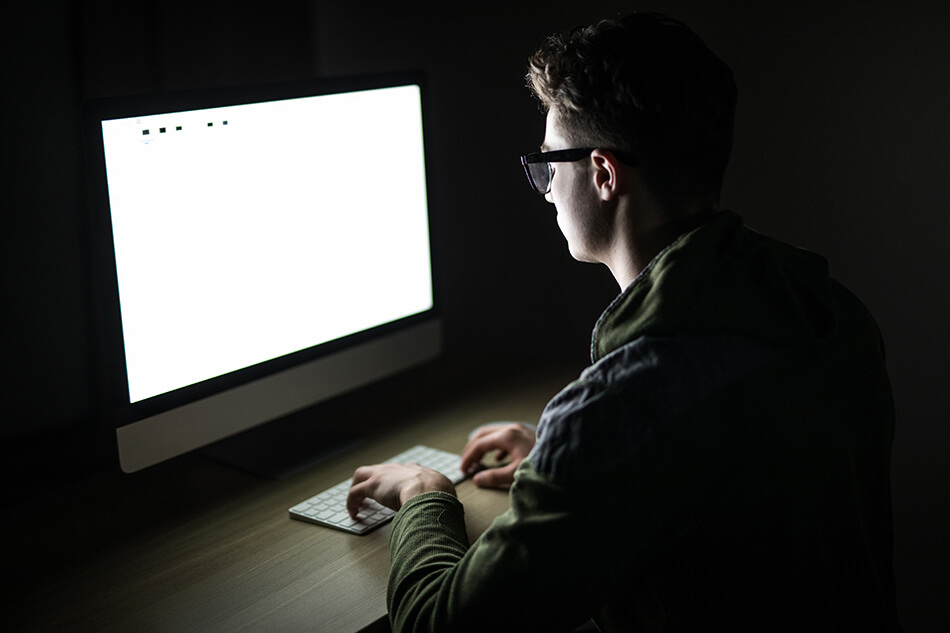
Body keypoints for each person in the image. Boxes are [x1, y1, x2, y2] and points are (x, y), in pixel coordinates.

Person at [346, 12, 900, 632]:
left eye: (549, 165)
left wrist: (426, 495)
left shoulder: (624, 404)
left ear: (604, 174)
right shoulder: (829, 310)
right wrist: (563, 461)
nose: (548, 189)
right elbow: (723, 461)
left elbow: (437, 625)